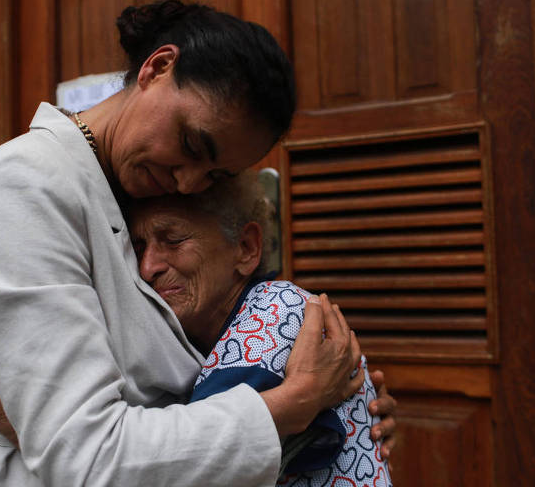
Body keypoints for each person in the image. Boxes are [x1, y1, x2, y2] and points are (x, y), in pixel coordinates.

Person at [0, 0, 394, 486]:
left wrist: (345, 414)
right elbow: (87, 457)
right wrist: (294, 405)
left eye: (215, 175)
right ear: (157, 67)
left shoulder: (129, 187)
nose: (187, 183)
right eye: (191, 146)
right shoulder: (29, 184)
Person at [127, 173, 393, 486]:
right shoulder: (204, 333)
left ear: (246, 248)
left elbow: (191, 458)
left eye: (173, 240)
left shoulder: (275, 314)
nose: (147, 267)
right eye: (137, 248)